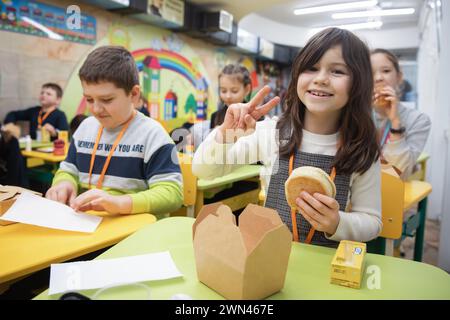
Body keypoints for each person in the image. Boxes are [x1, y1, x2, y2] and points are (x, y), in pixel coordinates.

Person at [193, 28, 382, 247]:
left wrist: (337, 222)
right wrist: (226, 135)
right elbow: (203, 171)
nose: (321, 79)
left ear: (359, 82)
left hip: (327, 267)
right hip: (268, 257)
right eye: (311, 68)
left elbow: (372, 221)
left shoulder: (362, 149)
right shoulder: (270, 133)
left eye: (337, 71)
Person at [46, 46, 183, 217]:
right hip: (87, 226)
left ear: (133, 94)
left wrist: (119, 203)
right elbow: (68, 169)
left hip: (133, 233)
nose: (95, 109)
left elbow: (172, 194)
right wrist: (64, 183)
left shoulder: (153, 135)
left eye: (107, 99)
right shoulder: (85, 128)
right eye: (89, 99)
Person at [371, 48, 431, 179]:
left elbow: (399, 174)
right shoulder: (357, 116)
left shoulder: (419, 120)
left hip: (394, 193)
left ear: (399, 77)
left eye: (386, 71)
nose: (378, 78)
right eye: (370, 73)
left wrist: (395, 122)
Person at [188, 64, 253, 152]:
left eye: (234, 91)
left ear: (247, 89)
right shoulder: (216, 116)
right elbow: (210, 148)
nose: (228, 96)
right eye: (223, 91)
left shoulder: (254, 116)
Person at [4, 83, 68, 141]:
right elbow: (13, 114)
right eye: (42, 93)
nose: (44, 95)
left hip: (49, 148)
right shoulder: (34, 111)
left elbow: (65, 134)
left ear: (58, 100)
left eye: (48, 94)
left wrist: (54, 132)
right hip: (32, 145)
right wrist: (10, 124)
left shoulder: (60, 115)